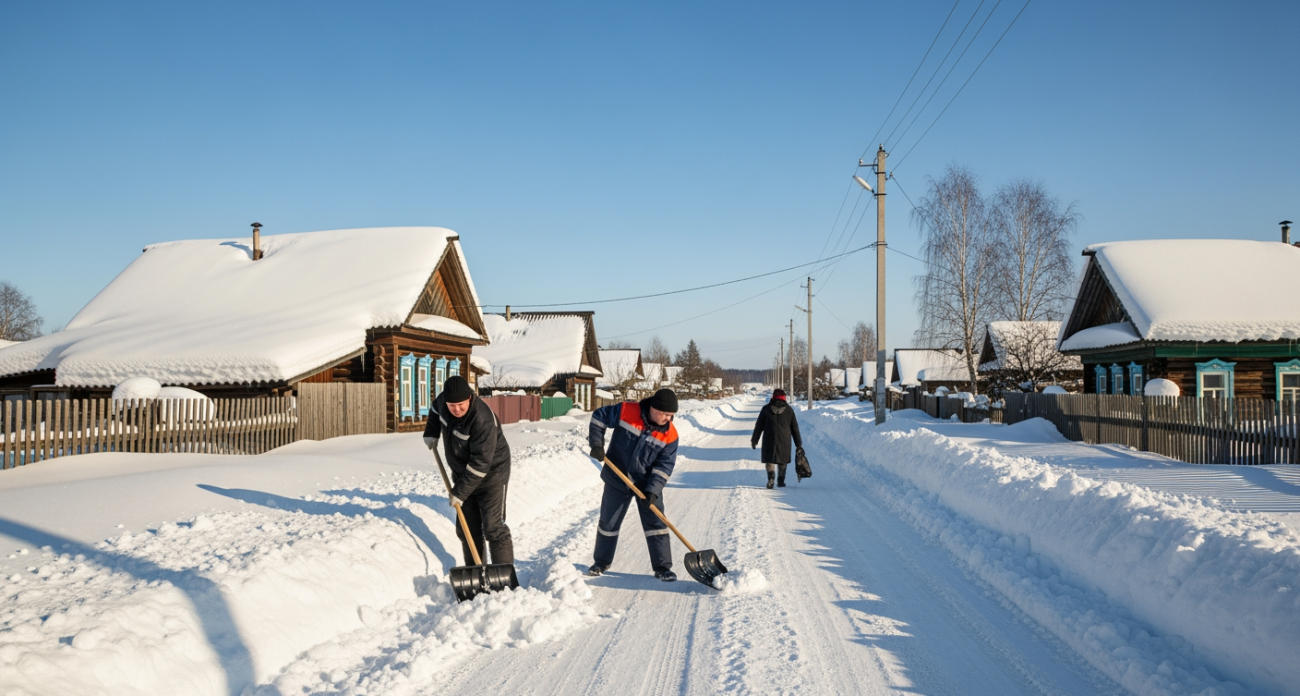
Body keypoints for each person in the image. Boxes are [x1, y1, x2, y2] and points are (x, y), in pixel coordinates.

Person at [586, 388, 680, 581]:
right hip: (616, 477)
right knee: (608, 522)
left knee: (656, 523)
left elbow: (664, 467)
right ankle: (601, 561)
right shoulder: (627, 411)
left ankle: (662, 567)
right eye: (665, 414)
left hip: (646, 484)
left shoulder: (670, 436)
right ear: (654, 408)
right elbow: (598, 417)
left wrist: (652, 492)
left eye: (672, 416)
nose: (668, 419)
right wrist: (597, 444)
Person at [423, 375, 513, 566]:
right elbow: (434, 410)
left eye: (461, 405)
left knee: (492, 527)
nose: (456, 409)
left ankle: (503, 576)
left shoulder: (482, 419)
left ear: (470, 398)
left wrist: (460, 492)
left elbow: (481, 464)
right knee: (466, 529)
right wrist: (432, 432)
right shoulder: (443, 402)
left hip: (492, 474)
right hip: (464, 473)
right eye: (451, 405)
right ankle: (475, 571)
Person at [751, 388, 803, 489]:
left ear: (773, 397)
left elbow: (759, 426)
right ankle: (781, 480)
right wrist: (798, 444)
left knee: (770, 459)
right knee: (782, 460)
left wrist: (754, 440)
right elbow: (794, 428)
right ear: (784, 397)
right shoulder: (789, 410)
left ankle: (771, 478)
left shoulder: (766, 409)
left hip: (769, 438)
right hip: (785, 439)